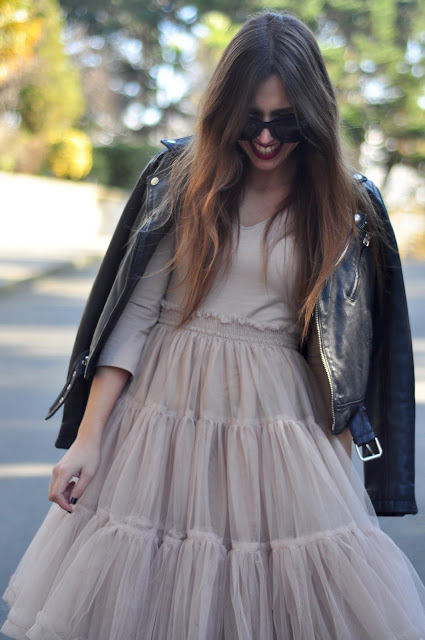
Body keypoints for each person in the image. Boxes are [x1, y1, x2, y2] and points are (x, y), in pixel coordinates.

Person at [2, 10, 425, 640]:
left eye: (284, 121)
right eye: (250, 119)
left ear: (314, 115)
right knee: (151, 592)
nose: (265, 137)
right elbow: (136, 315)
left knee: (280, 595)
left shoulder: (346, 206)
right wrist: (88, 440)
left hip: (276, 423)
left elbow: (348, 353)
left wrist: (340, 473)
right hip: (160, 419)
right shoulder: (181, 178)